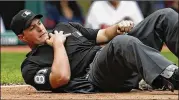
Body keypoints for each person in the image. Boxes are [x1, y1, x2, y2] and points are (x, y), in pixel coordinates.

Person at [10, 8, 178, 93]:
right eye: (32, 28)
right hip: (95, 75)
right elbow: (61, 78)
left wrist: (118, 27)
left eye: (38, 23)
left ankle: (153, 75)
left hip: (111, 58)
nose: (39, 28)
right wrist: (58, 44)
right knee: (121, 43)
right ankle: (173, 76)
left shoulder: (64, 26)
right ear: (22, 37)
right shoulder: (30, 66)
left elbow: (103, 35)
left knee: (165, 15)